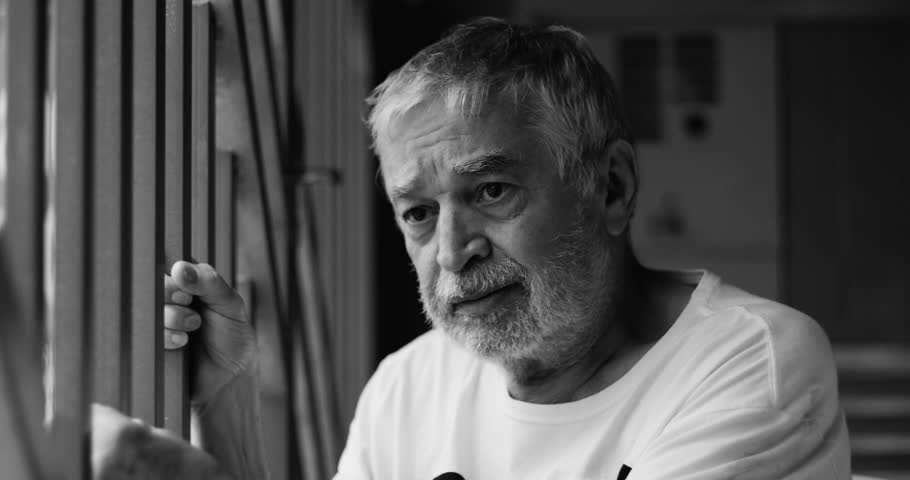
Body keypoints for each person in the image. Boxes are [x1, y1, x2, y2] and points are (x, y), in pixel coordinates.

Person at [94, 17, 850, 479]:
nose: (452, 253)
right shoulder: (408, 385)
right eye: (418, 214)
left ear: (610, 188)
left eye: (491, 192)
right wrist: (226, 400)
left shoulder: (754, 362)